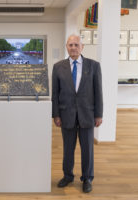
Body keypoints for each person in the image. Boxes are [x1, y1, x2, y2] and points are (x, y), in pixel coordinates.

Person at [51, 34, 103, 193]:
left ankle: (87, 178)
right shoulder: (58, 66)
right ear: (66, 47)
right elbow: (55, 93)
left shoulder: (93, 66)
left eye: (76, 44)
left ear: (82, 47)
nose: (73, 47)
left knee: (87, 149)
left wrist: (99, 114)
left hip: (87, 114)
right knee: (68, 149)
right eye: (70, 45)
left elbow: (98, 92)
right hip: (66, 114)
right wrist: (56, 114)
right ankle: (67, 176)